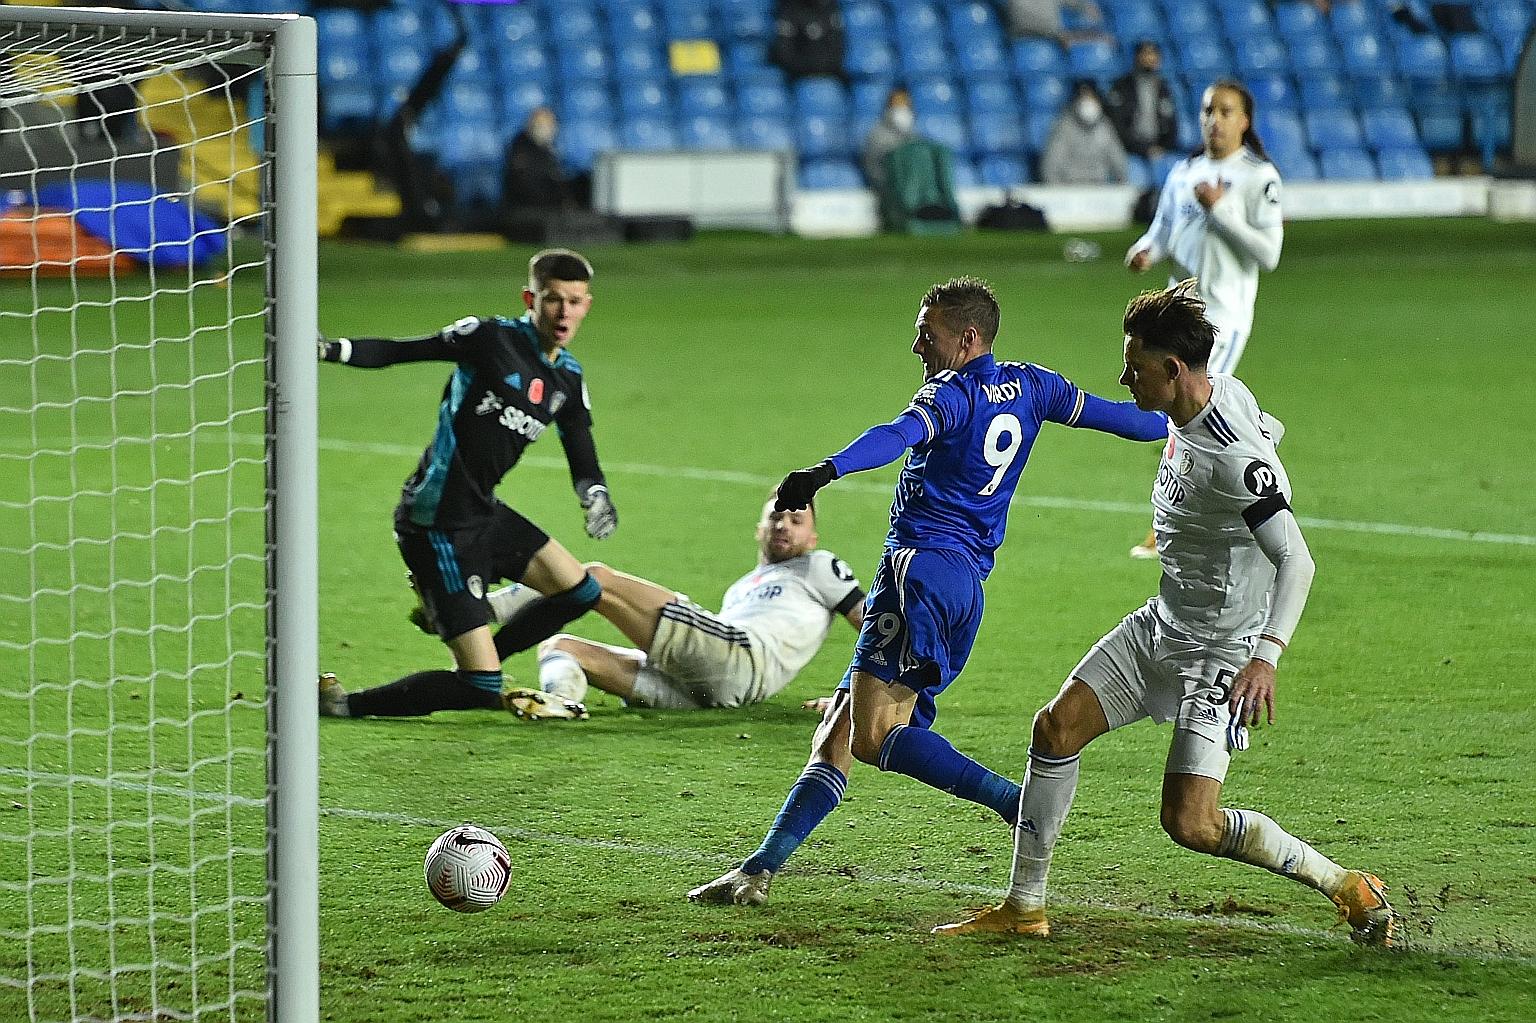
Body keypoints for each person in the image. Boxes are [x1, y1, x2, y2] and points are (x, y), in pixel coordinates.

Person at [934, 281, 1396, 947]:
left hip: (1222, 652)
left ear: (1173, 370)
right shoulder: (1217, 396)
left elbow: (1297, 559)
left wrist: (1265, 656)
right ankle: (1024, 906)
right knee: (1055, 727)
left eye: (1135, 366)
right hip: (1163, 623)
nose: (1124, 377)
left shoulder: (1235, 459)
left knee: (1191, 823)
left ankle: (1345, 884)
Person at [687, 276, 1169, 907]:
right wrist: (1204, 414)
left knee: (874, 735)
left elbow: (895, 435)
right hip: (964, 582)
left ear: (967, 338)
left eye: (928, 333)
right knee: (838, 731)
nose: (917, 345)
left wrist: (821, 472)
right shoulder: (1035, 385)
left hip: (915, 574)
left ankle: (1015, 803)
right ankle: (757, 870)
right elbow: (1134, 422)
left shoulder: (951, 395)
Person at [316, 249, 618, 720]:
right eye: (553, 299)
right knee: (479, 686)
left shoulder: (568, 376)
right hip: (437, 520)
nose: (564, 312)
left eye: (575, 301)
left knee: (581, 591)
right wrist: (330, 350)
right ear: (530, 298)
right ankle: (344, 705)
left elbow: (580, 448)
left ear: (587, 305)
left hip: (483, 511)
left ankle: (474, 637)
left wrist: (595, 495)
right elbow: (402, 351)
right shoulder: (489, 338)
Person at [1124, 78, 1282, 558]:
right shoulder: (1183, 172)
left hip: (1224, 317)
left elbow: (1270, 253)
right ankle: (1257, 464)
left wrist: (1224, 212)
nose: (1215, 120)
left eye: (1226, 111)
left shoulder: (1259, 177)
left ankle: (1185, 518)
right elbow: (1164, 232)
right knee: (1193, 416)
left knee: (1192, 414)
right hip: (1177, 313)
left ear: (1245, 121)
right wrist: (1146, 251)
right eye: (1209, 110)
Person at [522, 496, 864, 712]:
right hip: (707, 690)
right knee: (561, 647)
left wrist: (854, 696)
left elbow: (871, 625)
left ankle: (495, 608)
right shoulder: (740, 588)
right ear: (759, 529)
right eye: (776, 517)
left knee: (598, 577)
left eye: (796, 520)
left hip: (744, 656)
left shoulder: (819, 565)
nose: (783, 525)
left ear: (813, 538)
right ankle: (561, 704)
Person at [1040, 80, 1129, 185]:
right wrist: (1060, 195)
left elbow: (1119, 162)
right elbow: (1050, 167)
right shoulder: (1064, 127)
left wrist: (1120, 188)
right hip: (1069, 189)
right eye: (1083, 98)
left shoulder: (1105, 127)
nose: (1087, 102)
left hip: (1098, 188)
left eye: (1091, 97)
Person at [1106, 41, 1179, 161]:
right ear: (1137, 57)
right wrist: (1143, 149)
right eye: (1146, 54)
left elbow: (1172, 123)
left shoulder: (1163, 89)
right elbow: (1117, 125)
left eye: (1153, 54)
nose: (1150, 58)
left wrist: (1163, 147)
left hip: (1159, 149)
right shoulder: (1122, 86)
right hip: (1129, 149)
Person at [501, 106, 574, 213]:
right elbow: (527, 187)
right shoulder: (520, 148)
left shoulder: (547, 150)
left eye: (552, 124)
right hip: (526, 214)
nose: (550, 128)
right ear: (532, 126)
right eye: (545, 124)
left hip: (546, 211)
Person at [861, 86, 916, 192]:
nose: (902, 109)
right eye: (898, 105)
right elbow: (872, 167)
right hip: (888, 192)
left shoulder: (915, 136)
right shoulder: (877, 136)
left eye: (905, 105)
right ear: (889, 107)